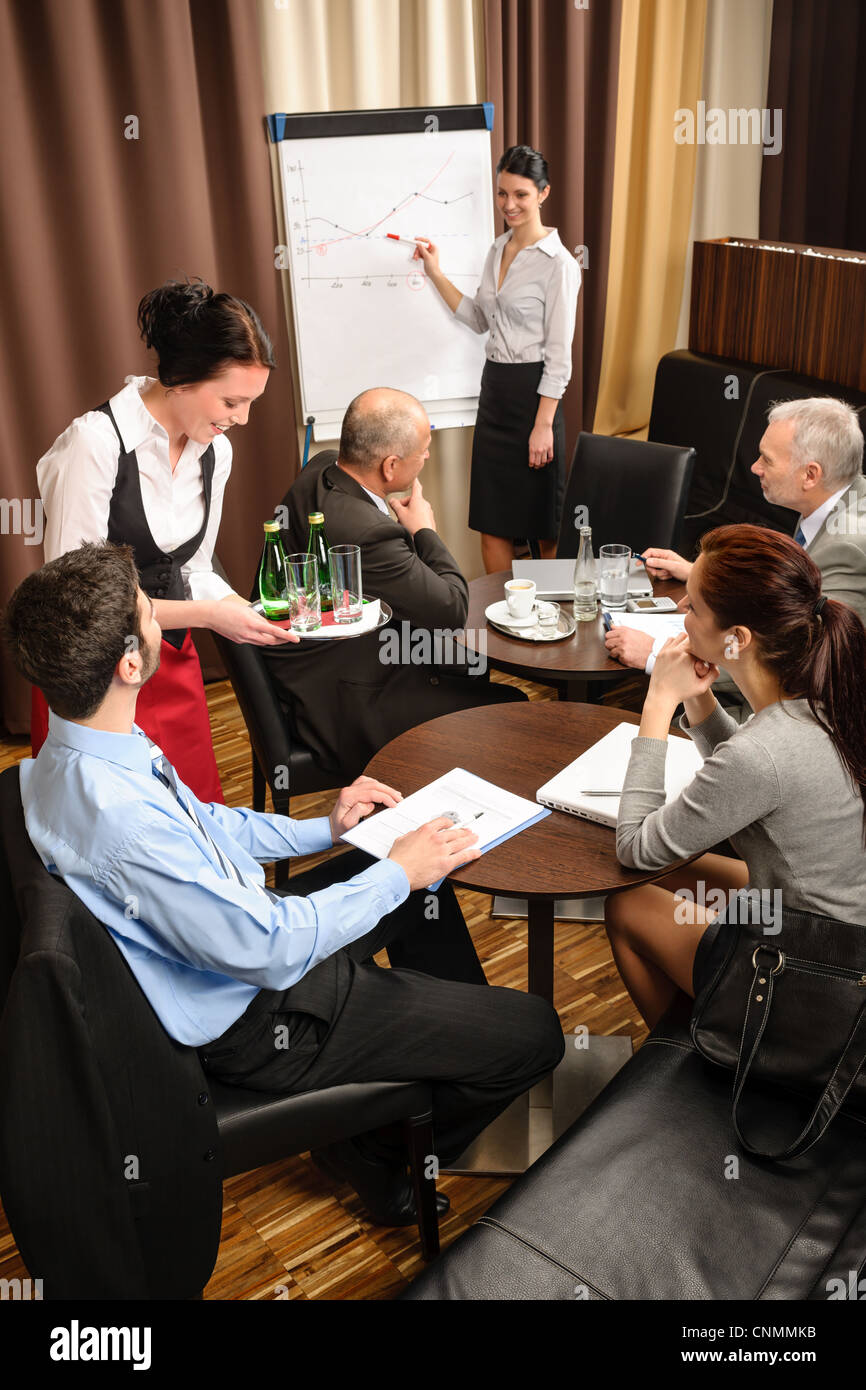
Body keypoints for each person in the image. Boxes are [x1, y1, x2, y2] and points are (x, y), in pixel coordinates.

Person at [4, 542, 563, 1225]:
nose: (162, 620)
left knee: (420, 871)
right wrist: (394, 872)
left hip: (246, 928)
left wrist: (325, 832)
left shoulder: (69, 753)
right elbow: (268, 950)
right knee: (536, 1035)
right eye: (150, 613)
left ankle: (443, 1037)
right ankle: (377, 1154)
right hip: (260, 1009)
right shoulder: (124, 826)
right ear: (129, 665)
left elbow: (204, 823)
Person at [35, 278, 297, 803]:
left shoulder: (215, 453)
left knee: (192, 815)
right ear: (180, 379)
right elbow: (76, 602)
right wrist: (209, 616)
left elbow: (194, 568)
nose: (241, 419)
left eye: (249, 403)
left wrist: (242, 610)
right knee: (106, 829)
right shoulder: (94, 443)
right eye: (230, 400)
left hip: (169, 657)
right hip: (91, 675)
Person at [603, 523, 866, 1029]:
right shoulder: (823, 695)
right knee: (678, 874)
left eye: (695, 605)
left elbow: (635, 846)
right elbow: (758, 773)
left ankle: (700, 1051)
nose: (681, 608)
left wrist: (660, 700)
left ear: (737, 639)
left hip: (816, 976)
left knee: (627, 904)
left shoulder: (763, 750)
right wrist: (698, 696)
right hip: (837, 927)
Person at [264, 387, 526, 779]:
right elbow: (452, 610)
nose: (427, 456)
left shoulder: (320, 468)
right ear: (390, 466)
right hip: (347, 700)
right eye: (424, 449)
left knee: (469, 663)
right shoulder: (368, 532)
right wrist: (424, 530)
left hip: (307, 667)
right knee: (514, 704)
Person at [605, 398, 866, 710]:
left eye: (767, 460)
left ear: (810, 475)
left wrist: (656, 652)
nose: (755, 467)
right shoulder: (831, 499)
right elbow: (789, 597)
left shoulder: (848, 548)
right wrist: (704, 576)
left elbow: (795, 660)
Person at [413, 145, 580, 573]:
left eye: (521, 195)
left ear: (543, 193)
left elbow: (560, 358)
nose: (509, 204)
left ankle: (554, 625)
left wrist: (543, 425)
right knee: (493, 521)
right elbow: (477, 317)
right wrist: (435, 273)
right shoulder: (496, 249)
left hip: (535, 397)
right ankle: (503, 620)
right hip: (496, 392)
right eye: (503, 193)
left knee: (543, 525)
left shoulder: (560, 264)